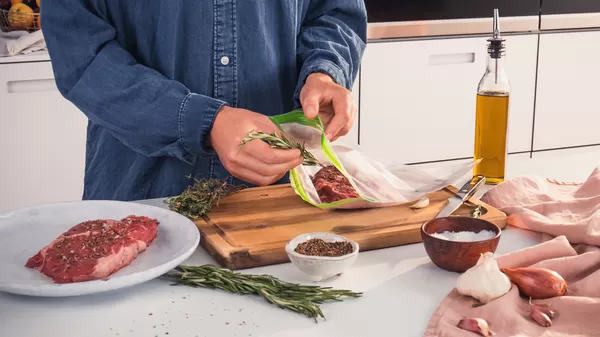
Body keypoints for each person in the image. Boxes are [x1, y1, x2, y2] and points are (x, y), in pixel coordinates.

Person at [41, 1, 367, 201]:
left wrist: (324, 71)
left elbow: (333, 13)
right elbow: (82, 57)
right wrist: (202, 121)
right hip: (145, 196)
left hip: (279, 198)